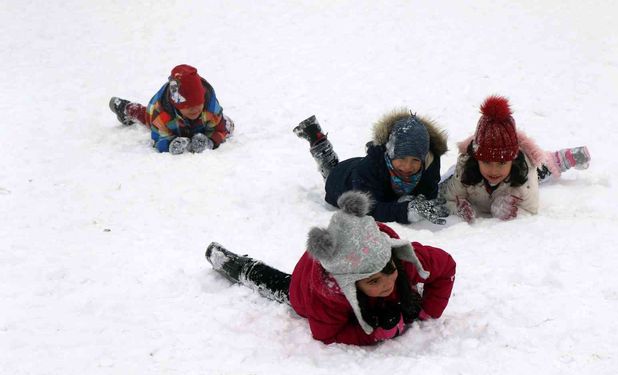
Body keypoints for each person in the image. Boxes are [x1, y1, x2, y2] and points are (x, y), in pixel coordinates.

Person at [205, 191, 456, 346]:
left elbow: (446, 267)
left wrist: (427, 310)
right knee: (281, 285)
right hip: (306, 286)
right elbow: (326, 334)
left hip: (347, 252)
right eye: (372, 282)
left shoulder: (401, 259)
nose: (386, 283)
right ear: (350, 284)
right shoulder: (328, 296)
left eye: (387, 271)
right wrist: (373, 334)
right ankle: (235, 265)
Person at [439, 95, 591, 222]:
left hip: (520, 172)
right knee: (449, 178)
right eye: (486, 162)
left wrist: (506, 210)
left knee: (542, 168)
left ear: (513, 158)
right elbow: (448, 199)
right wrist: (458, 209)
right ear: (476, 158)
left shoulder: (525, 173)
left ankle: (560, 158)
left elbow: (531, 209)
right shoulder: (465, 168)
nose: (493, 170)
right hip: (471, 171)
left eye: (502, 163)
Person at [293, 110, 449, 225]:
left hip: (365, 172)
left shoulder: (430, 162)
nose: (408, 167)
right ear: (390, 153)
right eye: (401, 158)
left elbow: (429, 191)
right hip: (342, 181)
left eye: (415, 160)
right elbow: (367, 208)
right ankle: (319, 142)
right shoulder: (369, 169)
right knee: (331, 170)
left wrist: (421, 200)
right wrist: (406, 211)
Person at [109, 64, 234, 154]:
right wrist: (170, 144)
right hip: (168, 121)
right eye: (188, 106)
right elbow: (157, 139)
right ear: (176, 105)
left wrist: (210, 141)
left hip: (201, 122)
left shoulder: (210, 108)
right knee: (146, 117)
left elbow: (221, 129)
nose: (194, 109)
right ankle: (126, 108)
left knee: (228, 125)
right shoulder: (161, 114)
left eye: (198, 104)